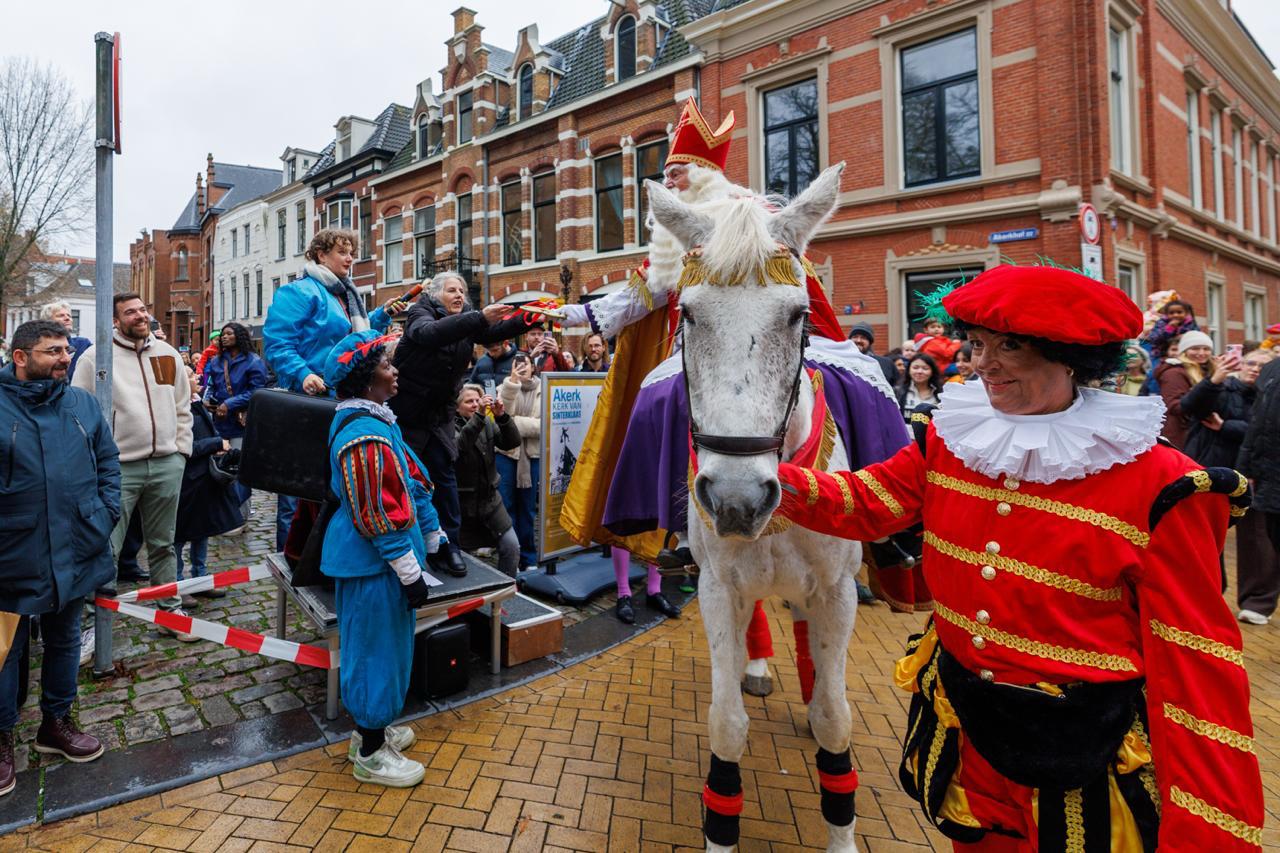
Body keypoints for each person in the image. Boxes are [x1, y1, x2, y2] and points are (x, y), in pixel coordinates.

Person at [770, 263, 1263, 851]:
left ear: (1072, 357)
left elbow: (1196, 666)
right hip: (966, 726)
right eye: (978, 344)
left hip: (1084, 754)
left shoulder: (1163, 485)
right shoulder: (951, 437)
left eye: (1011, 347)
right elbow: (869, 501)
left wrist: (1207, 831)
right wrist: (764, 479)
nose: (983, 363)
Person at [0, 320, 120, 794]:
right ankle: (2, 736)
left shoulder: (82, 404)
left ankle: (56, 723)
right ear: (21, 357)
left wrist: (105, 514)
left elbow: (107, 461)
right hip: (11, 552)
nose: (65, 358)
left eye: (66, 350)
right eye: (53, 351)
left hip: (77, 546)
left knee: (66, 639)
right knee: (7, 651)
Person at [321, 330, 441, 787]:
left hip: (380, 563)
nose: (395, 371)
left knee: (385, 649)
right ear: (368, 378)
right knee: (374, 651)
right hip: (373, 564)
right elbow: (375, 510)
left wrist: (433, 536)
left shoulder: (377, 422)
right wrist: (409, 570)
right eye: (388, 365)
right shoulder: (363, 432)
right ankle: (370, 752)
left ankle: (370, 730)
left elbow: (410, 479)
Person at [262, 228, 407, 552]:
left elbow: (349, 337)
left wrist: (380, 316)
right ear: (320, 255)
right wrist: (303, 375)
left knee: (334, 483)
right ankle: (293, 557)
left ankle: (325, 554)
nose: (350, 258)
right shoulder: (299, 293)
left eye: (352, 252)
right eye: (342, 251)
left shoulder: (345, 295)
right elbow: (277, 344)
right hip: (310, 401)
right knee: (299, 485)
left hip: (340, 401)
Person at [73, 293, 196, 641]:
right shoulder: (95, 357)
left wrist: (180, 451)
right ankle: (98, 629)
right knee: (107, 548)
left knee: (163, 544)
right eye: (131, 312)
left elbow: (183, 404)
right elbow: (79, 412)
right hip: (118, 469)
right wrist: (98, 460)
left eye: (143, 309)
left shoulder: (167, 353)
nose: (140, 316)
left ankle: (170, 613)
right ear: (115, 320)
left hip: (166, 464)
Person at [389, 272, 531, 573]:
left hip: (439, 415)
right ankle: (405, 547)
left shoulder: (467, 316)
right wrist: (479, 317)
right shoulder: (420, 311)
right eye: (452, 290)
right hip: (408, 415)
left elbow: (491, 333)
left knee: (445, 478)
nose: (459, 295)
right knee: (404, 478)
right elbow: (430, 334)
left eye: (462, 291)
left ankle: (449, 546)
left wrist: (528, 319)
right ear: (436, 294)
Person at [174, 366, 240, 601]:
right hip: (186, 481)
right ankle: (178, 586)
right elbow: (185, 447)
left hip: (203, 480)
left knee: (202, 531)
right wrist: (216, 443)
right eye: (191, 376)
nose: (197, 378)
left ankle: (200, 578)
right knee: (180, 537)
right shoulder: (176, 409)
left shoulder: (196, 402)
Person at [454, 384, 522, 576]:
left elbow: (511, 442)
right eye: (469, 401)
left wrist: (502, 417)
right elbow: (460, 447)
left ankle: (504, 596)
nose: (475, 405)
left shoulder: (486, 423)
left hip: (490, 501)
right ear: (457, 406)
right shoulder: (449, 425)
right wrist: (480, 417)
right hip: (462, 505)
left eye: (478, 400)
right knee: (461, 558)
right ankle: (467, 602)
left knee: (511, 547)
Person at [1238, 357, 1280, 624]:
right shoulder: (1273, 368)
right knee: (1266, 535)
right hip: (1268, 469)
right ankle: (1258, 599)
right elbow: (1258, 422)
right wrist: (1245, 467)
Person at [497, 353, 543, 571]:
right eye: (518, 365)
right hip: (506, 454)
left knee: (527, 509)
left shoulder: (545, 389)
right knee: (506, 507)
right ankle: (510, 558)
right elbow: (500, 417)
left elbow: (543, 426)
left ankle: (529, 557)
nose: (522, 368)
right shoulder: (504, 387)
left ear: (533, 367)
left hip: (531, 457)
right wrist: (512, 384)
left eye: (526, 365)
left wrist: (513, 423)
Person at [202, 323, 268, 447]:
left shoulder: (254, 361)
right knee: (218, 461)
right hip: (219, 422)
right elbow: (211, 385)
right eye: (223, 334)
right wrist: (207, 400)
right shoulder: (216, 361)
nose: (224, 337)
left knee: (237, 458)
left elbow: (257, 392)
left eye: (229, 334)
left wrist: (229, 404)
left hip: (241, 422)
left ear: (239, 336)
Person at [1155, 329, 1212, 448]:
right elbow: (1174, 407)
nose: (1201, 353)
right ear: (1184, 351)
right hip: (1181, 435)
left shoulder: (1206, 370)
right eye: (1195, 348)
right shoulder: (1174, 373)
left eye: (1206, 349)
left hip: (1199, 432)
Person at [39, 301, 92, 382]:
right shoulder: (39, 347)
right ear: (48, 322)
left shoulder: (83, 344)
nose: (68, 318)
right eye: (61, 316)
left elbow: (100, 367)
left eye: (69, 316)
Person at [849, 322, 897, 387]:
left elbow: (896, 388)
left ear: (870, 342)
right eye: (855, 337)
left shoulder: (886, 363)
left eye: (863, 337)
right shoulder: (841, 362)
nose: (858, 340)